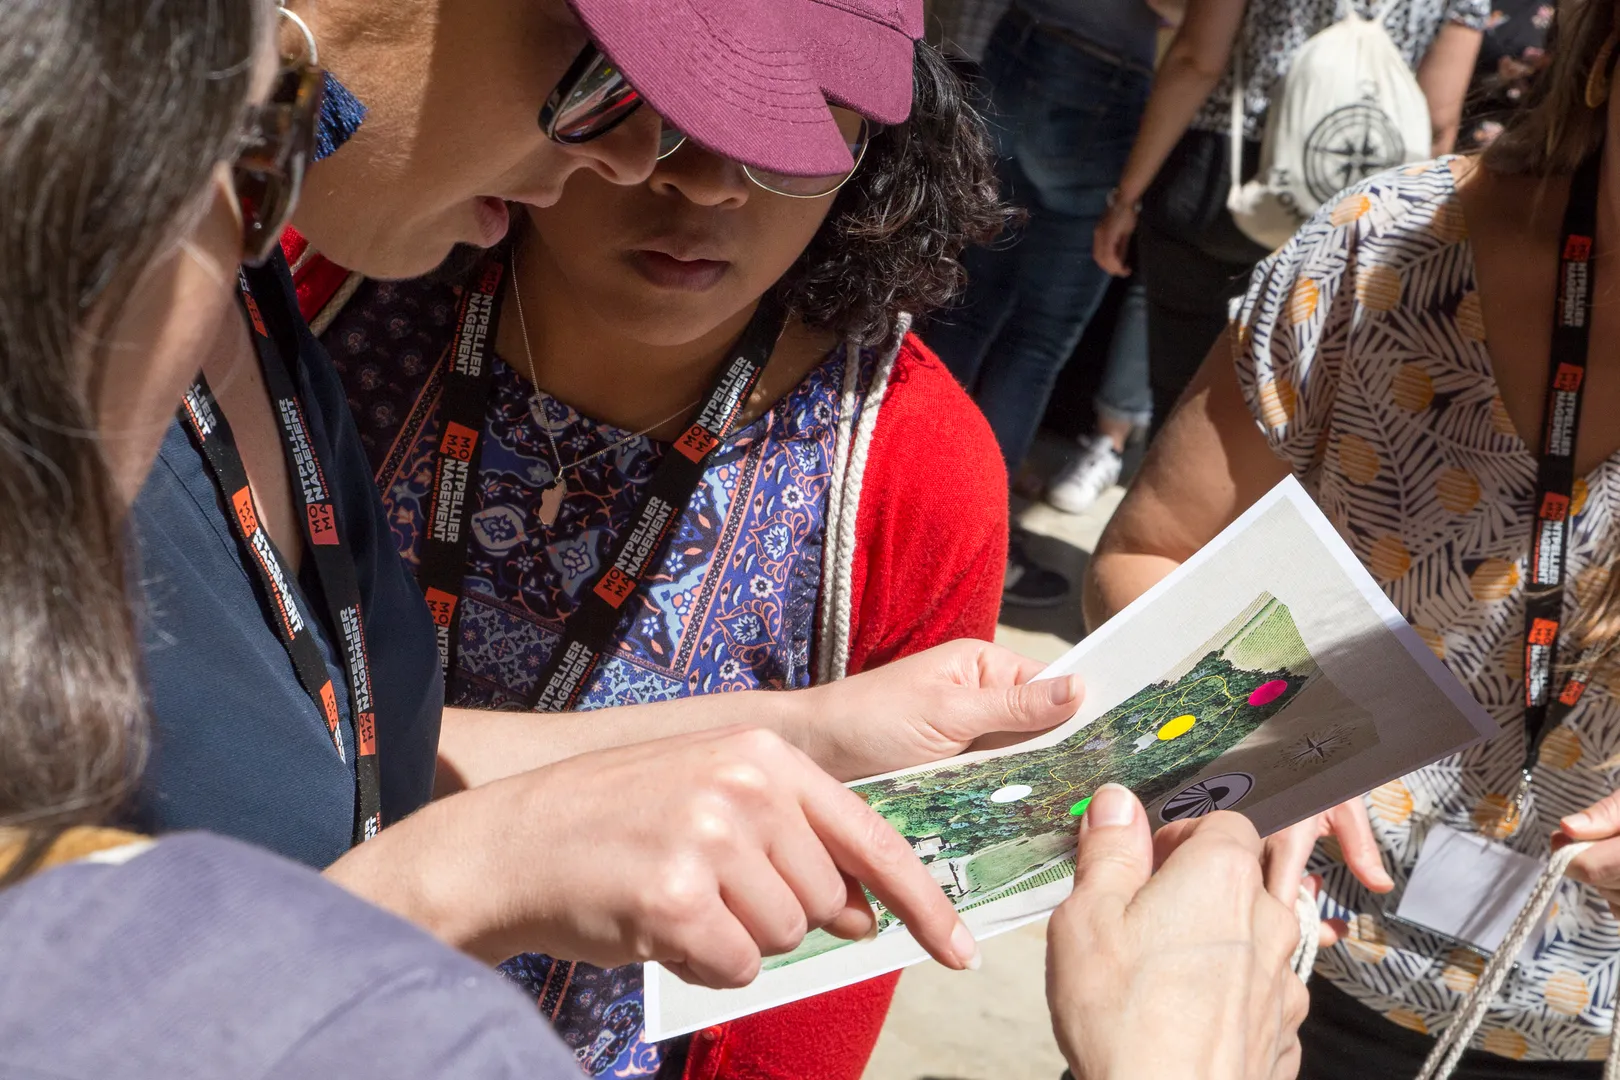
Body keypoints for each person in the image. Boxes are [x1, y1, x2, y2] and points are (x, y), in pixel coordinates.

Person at [0, 4, 1305, 1079]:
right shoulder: (292, 275)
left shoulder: (256, 275)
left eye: (791, 139)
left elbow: (327, 748)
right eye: (620, 91)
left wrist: (803, 737)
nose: (663, 173)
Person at [300, 33, 1013, 1073]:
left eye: (793, 133)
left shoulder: (916, 468)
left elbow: (836, 944)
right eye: (658, 104)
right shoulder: (338, 284)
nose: (710, 186)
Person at [1087, 0, 1620, 1071]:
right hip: (1256, 952)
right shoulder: (1380, 257)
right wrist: (1257, 750)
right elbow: (1148, 555)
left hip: (1550, 1010)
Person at [1092, 0, 1485, 432]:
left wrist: (1125, 198)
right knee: (1279, 422)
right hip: (1348, 215)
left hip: (1221, 182)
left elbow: (1197, 60)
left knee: (1179, 402)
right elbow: (1438, 121)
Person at [927, 0, 1165, 607]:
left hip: (1022, 41)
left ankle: (897, 498)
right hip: (1105, 75)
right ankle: (973, 550)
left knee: (969, 304)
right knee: (1034, 342)